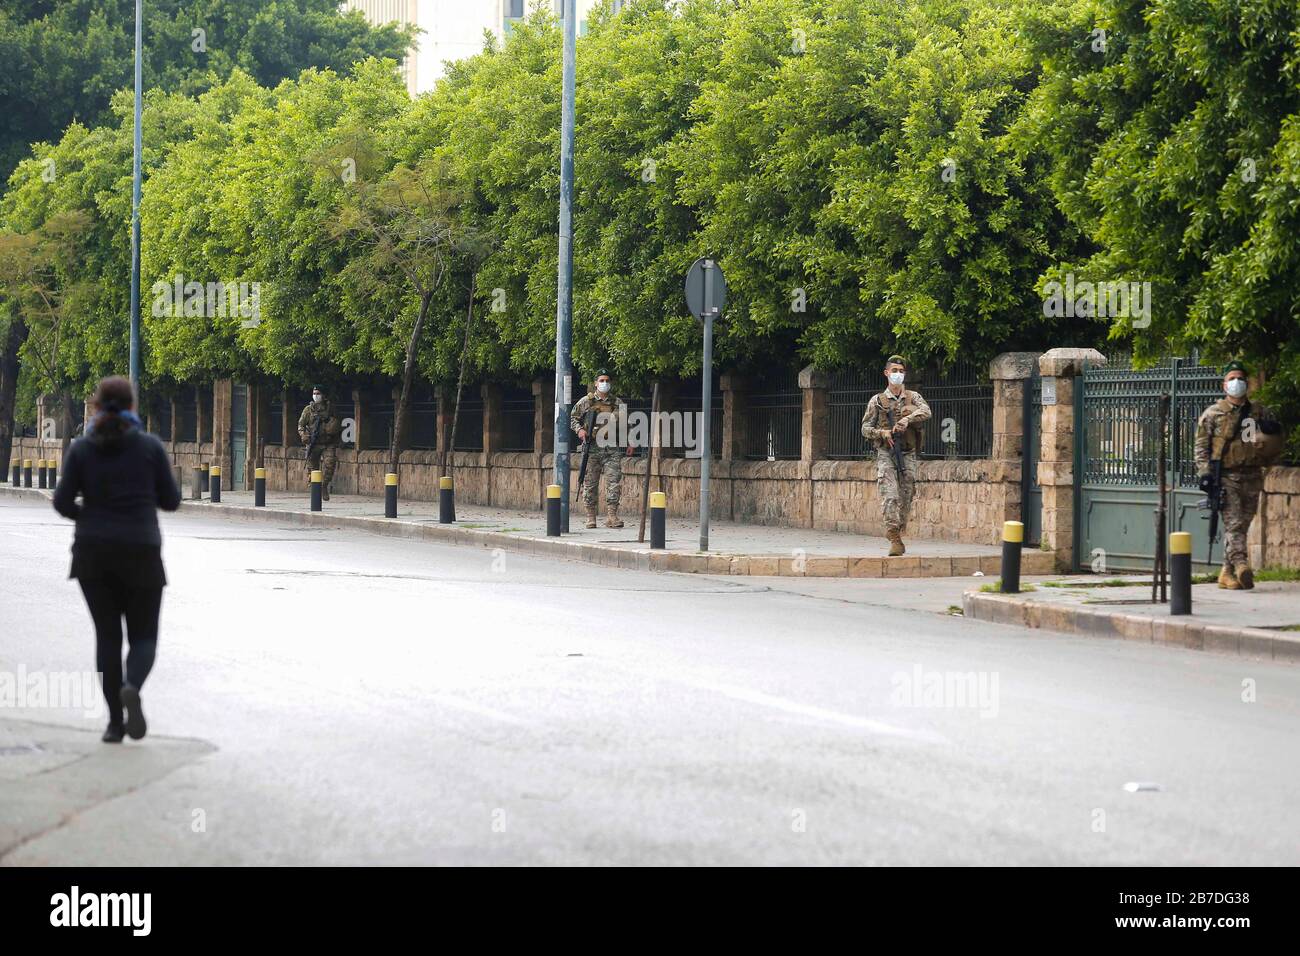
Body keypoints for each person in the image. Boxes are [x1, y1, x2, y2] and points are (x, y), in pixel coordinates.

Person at [52, 376, 181, 743]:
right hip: (141, 550)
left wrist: (91, 517)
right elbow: (171, 501)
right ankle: (132, 686)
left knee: (107, 638)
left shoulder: (81, 449)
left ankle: (113, 724)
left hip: (92, 555)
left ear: (95, 406)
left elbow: (62, 502)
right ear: (132, 406)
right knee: (143, 638)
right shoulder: (149, 447)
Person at [1194, 361, 1285, 589]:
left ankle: (1226, 571)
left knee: (1244, 523)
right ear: (1224, 385)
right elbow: (1201, 447)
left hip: (1252, 475)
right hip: (1226, 476)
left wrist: (1269, 440)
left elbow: (1272, 439)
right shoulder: (1213, 414)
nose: (1237, 382)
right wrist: (1205, 473)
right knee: (1233, 523)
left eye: (1240, 378)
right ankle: (1242, 565)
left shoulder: (1258, 412)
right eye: (1232, 378)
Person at [861, 355, 932, 556]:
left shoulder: (913, 397)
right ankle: (893, 536)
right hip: (886, 452)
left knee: (906, 494)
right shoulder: (877, 401)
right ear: (886, 373)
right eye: (894, 371)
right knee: (890, 494)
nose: (898, 375)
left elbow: (926, 411)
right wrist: (882, 433)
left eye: (901, 371)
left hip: (908, 452)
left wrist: (907, 420)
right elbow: (865, 428)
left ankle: (898, 528)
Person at [570, 369, 635, 529]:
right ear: (595, 383)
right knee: (590, 483)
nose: (604, 383)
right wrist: (580, 430)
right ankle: (590, 517)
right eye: (601, 380)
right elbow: (573, 418)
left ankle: (612, 516)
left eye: (607, 380)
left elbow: (628, 423)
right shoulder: (587, 401)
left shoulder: (617, 402)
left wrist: (631, 442)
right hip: (592, 448)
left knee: (613, 482)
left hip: (611, 448)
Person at [297, 385, 341, 501]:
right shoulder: (308, 410)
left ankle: (324, 485)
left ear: (323, 395)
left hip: (328, 442)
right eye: (314, 393)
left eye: (318, 393)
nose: (316, 395)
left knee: (330, 464)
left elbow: (338, 423)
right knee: (312, 469)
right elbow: (301, 425)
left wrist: (331, 426)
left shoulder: (330, 408)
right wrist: (303, 435)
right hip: (313, 442)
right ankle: (315, 492)